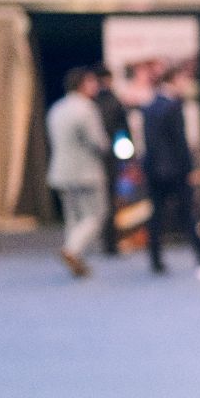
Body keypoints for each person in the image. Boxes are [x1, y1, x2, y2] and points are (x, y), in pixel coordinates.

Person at [141, 63, 200, 273]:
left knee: (157, 215)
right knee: (187, 212)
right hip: (176, 170)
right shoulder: (173, 106)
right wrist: (189, 168)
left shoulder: (150, 106)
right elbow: (179, 142)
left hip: (154, 169)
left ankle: (155, 259)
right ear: (175, 80)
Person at [46, 66, 108, 279]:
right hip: (86, 173)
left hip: (61, 172)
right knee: (95, 216)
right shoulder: (86, 108)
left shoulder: (57, 108)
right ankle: (71, 250)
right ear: (82, 84)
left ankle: (76, 259)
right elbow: (97, 142)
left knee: (73, 219)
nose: (95, 85)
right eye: (92, 82)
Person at [92, 64, 129, 255]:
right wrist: (127, 155)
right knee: (110, 199)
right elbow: (123, 130)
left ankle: (105, 241)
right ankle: (111, 243)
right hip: (110, 158)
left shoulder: (92, 102)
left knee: (101, 201)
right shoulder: (114, 101)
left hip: (95, 159)